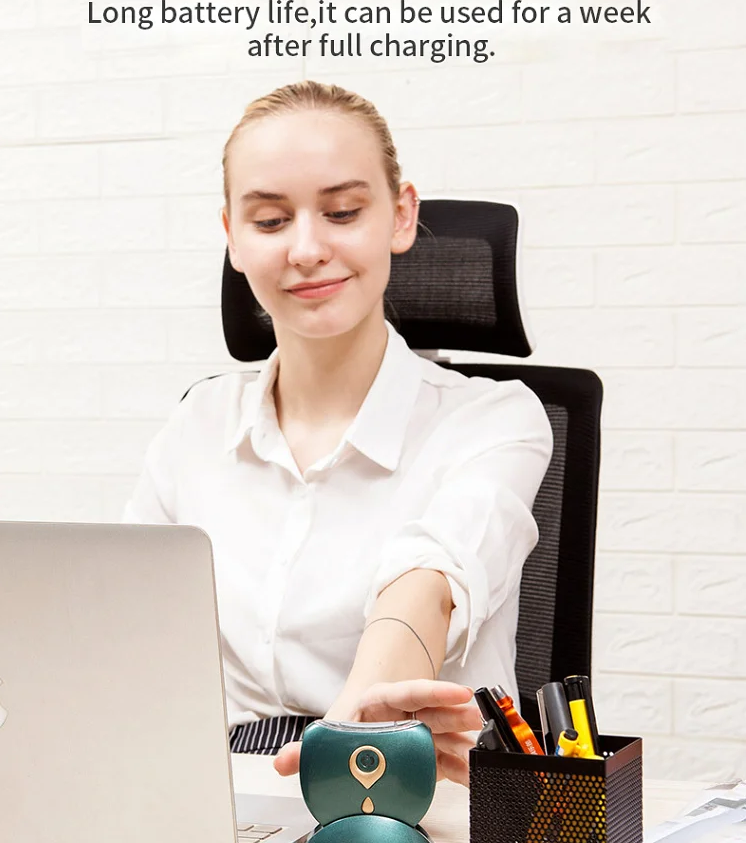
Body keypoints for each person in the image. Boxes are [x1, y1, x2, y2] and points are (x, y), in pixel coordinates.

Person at [123, 80, 553, 786]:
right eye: (269, 221)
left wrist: (359, 720)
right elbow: (125, 618)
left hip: (410, 795)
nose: (306, 249)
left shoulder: (495, 419)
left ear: (401, 216)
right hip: (225, 794)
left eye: (343, 212)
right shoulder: (196, 424)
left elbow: (430, 577)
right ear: (233, 238)